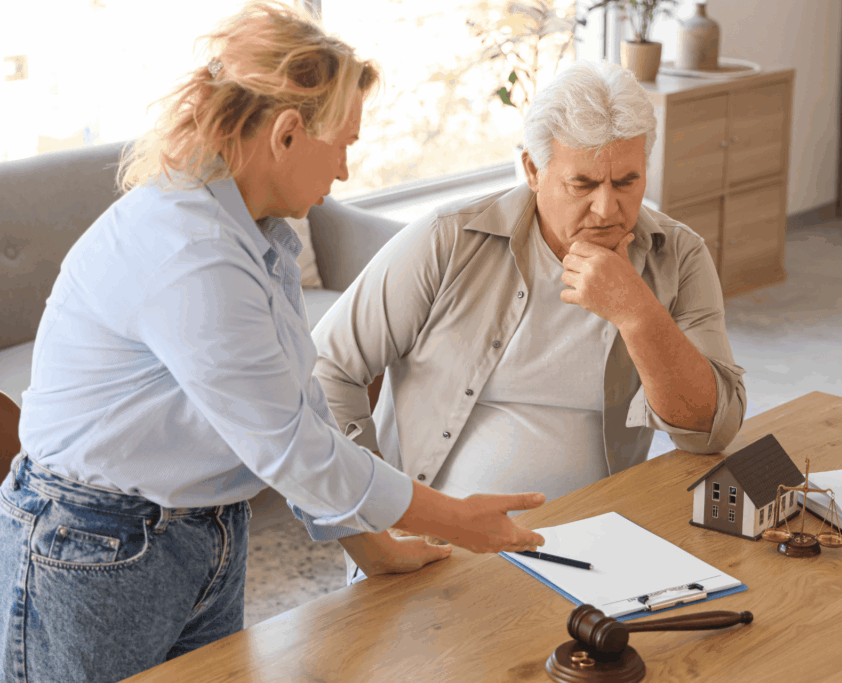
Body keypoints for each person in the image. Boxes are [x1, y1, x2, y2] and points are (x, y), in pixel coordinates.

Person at [0, 4, 544, 682]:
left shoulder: (256, 238)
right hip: (95, 543)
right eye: (344, 142)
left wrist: (372, 546)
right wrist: (456, 518)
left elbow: (296, 410)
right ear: (287, 134)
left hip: (204, 529)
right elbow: (294, 451)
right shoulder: (193, 252)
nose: (344, 171)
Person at [312, 61, 746, 571]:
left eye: (627, 181)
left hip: (596, 544)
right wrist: (383, 509)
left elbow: (710, 430)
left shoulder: (679, 255)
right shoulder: (448, 239)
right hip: (439, 546)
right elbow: (325, 367)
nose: (608, 209)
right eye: (582, 184)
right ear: (533, 171)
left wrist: (638, 314)